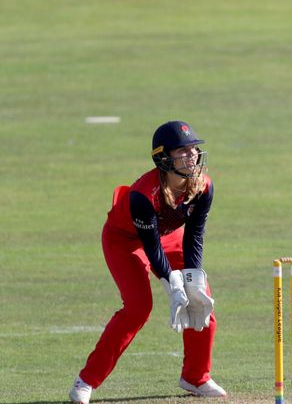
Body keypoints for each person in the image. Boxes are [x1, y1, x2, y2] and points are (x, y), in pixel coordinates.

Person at [69, 121, 226, 404]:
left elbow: (194, 237)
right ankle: (86, 381)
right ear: (164, 158)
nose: (192, 155)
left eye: (194, 149)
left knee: (201, 300)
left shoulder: (203, 186)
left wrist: (191, 280)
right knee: (138, 308)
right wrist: (172, 284)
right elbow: (151, 248)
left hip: (168, 236)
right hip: (124, 239)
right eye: (183, 150)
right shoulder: (143, 195)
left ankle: (195, 377)